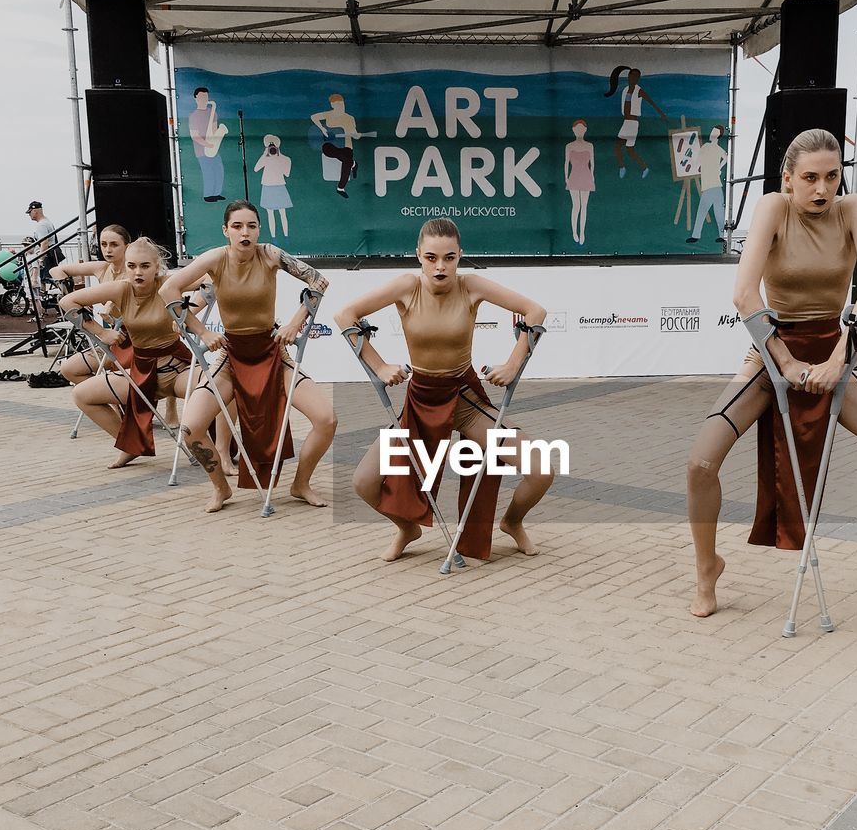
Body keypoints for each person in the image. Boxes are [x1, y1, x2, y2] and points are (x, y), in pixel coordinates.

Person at [686, 128, 857, 621]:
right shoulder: (773, 206)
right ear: (788, 178)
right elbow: (744, 296)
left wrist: (840, 358)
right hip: (772, 353)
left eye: (831, 177)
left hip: (835, 349)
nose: (821, 189)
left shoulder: (853, 209)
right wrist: (788, 362)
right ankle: (708, 568)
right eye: (810, 178)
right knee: (700, 464)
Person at [334, 217, 554, 562]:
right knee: (363, 482)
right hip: (419, 400)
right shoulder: (406, 287)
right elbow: (346, 315)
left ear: (459, 256)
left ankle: (512, 523)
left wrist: (512, 365)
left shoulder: (471, 286)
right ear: (418, 255)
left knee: (540, 470)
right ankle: (407, 529)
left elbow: (535, 311)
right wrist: (380, 366)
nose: (440, 266)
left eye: (449, 258)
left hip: (464, 399)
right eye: (431, 257)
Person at [159, 200, 335, 513]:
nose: (245, 233)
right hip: (231, 357)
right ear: (226, 230)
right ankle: (220, 488)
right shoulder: (215, 258)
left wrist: (296, 322)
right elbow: (168, 290)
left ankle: (301, 483)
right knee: (191, 428)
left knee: (326, 418)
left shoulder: (271, 254)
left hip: (272, 353)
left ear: (258, 230)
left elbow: (319, 281)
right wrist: (202, 332)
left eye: (251, 226)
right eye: (237, 226)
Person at [58, 238, 198, 468]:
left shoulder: (167, 284)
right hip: (140, 371)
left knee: (220, 388)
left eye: (145, 266)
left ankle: (221, 453)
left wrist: (188, 316)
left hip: (176, 367)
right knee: (82, 395)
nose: (137, 272)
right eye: (132, 266)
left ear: (157, 267)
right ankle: (130, 445)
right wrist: (100, 332)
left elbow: (209, 281)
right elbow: (68, 301)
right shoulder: (121, 288)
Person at [51, 224, 135, 383]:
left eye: (114, 244)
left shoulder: (134, 272)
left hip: (138, 338)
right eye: (104, 244)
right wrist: (71, 297)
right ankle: (110, 404)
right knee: (69, 369)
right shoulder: (102, 268)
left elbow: (112, 302)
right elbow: (56, 271)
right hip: (115, 336)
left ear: (127, 247)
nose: (108, 249)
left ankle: (114, 398)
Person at [604, 66, 667, 179]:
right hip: (626, 122)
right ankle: (641, 168)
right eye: (633, 76)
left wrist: (661, 114)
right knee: (628, 150)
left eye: (637, 77)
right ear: (629, 76)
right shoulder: (625, 90)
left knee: (622, 148)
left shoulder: (639, 90)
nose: (634, 79)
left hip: (632, 124)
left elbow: (651, 102)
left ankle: (626, 168)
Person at [310, 95, 376, 198]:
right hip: (331, 146)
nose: (341, 106)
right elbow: (314, 117)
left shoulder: (349, 118)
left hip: (346, 147)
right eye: (337, 104)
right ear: (332, 105)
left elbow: (355, 135)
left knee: (347, 160)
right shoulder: (328, 114)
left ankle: (340, 187)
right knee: (330, 150)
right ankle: (353, 164)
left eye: (342, 103)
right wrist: (322, 129)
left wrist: (356, 135)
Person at [688, 126, 728, 244]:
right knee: (716, 212)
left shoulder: (714, 148)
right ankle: (720, 235)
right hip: (713, 186)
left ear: (719, 135)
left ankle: (697, 235)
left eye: (714, 133)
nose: (712, 134)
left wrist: (718, 168)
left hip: (713, 186)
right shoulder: (707, 147)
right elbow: (697, 162)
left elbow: (725, 157)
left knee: (707, 212)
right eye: (712, 132)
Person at [188, 88, 226, 202]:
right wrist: (206, 144)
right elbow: (194, 135)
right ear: (196, 98)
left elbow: (214, 129)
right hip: (202, 150)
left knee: (219, 169)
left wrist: (215, 141)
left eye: (206, 97)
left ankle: (217, 193)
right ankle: (208, 195)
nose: (205, 99)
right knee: (208, 172)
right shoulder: (193, 116)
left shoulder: (212, 113)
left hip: (213, 148)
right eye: (202, 97)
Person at [254, 135, 293, 239]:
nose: (272, 149)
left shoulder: (285, 159)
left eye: (274, 147)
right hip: (267, 187)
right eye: (270, 148)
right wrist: (264, 154)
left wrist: (278, 159)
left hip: (279, 186)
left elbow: (287, 173)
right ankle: (273, 238)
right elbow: (256, 169)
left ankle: (286, 236)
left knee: (282, 213)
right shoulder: (265, 159)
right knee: (270, 214)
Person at [564, 120, 595, 245]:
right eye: (577, 129)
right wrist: (566, 177)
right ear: (573, 130)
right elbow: (566, 163)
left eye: (582, 129)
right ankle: (574, 232)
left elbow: (592, 163)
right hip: (574, 177)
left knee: (584, 206)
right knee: (576, 206)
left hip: (586, 176)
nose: (579, 131)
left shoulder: (590, 145)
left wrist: (592, 176)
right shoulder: (569, 146)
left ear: (585, 130)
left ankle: (582, 232)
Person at [25, 202, 62, 288]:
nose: (29, 215)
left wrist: (41, 260)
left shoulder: (41, 225)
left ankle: (44, 297)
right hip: (51, 253)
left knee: (43, 278)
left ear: (35, 211)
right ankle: (46, 295)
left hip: (46, 255)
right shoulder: (47, 221)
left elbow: (44, 243)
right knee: (49, 277)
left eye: (30, 212)